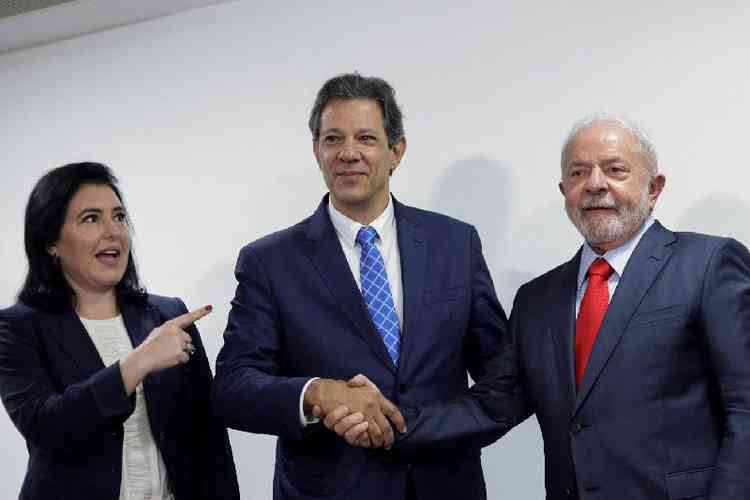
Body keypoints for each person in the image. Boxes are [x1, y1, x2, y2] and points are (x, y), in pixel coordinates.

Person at [332, 114, 750, 499]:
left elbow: (745, 407)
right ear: (564, 191)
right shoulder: (539, 299)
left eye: (615, 170)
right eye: (578, 172)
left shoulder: (708, 264)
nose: (595, 183)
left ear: (654, 188)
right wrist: (388, 424)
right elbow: (491, 405)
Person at [211, 73, 508, 500]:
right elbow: (233, 388)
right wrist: (317, 394)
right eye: (333, 139)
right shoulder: (269, 262)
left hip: (445, 485)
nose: (348, 153)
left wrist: (414, 429)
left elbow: (500, 381)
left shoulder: (456, 245)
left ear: (396, 150)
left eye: (366, 138)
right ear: (316, 151)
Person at [0, 162, 240, 500]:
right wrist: (139, 362)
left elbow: (208, 441)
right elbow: (48, 428)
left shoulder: (167, 314)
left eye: (119, 217)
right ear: (51, 242)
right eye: (91, 218)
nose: (113, 232)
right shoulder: (16, 327)